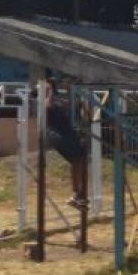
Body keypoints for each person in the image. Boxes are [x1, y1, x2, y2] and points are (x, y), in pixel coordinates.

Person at [44, 79, 88, 208]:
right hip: (59, 135)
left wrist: (71, 90)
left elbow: (70, 106)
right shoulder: (46, 101)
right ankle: (76, 193)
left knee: (78, 160)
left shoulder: (60, 103)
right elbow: (48, 106)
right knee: (78, 160)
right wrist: (50, 88)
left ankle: (77, 194)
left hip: (67, 133)